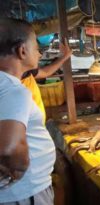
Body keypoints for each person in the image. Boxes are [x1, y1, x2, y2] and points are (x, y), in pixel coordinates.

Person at [0, 18, 56, 205]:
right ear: (22, 50)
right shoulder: (13, 89)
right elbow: (9, 150)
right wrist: (20, 167)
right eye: (35, 47)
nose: (39, 54)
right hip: (25, 193)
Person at [21, 39, 72, 123]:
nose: (40, 55)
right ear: (21, 51)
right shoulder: (9, 86)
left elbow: (46, 72)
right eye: (36, 50)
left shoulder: (28, 73)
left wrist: (65, 56)